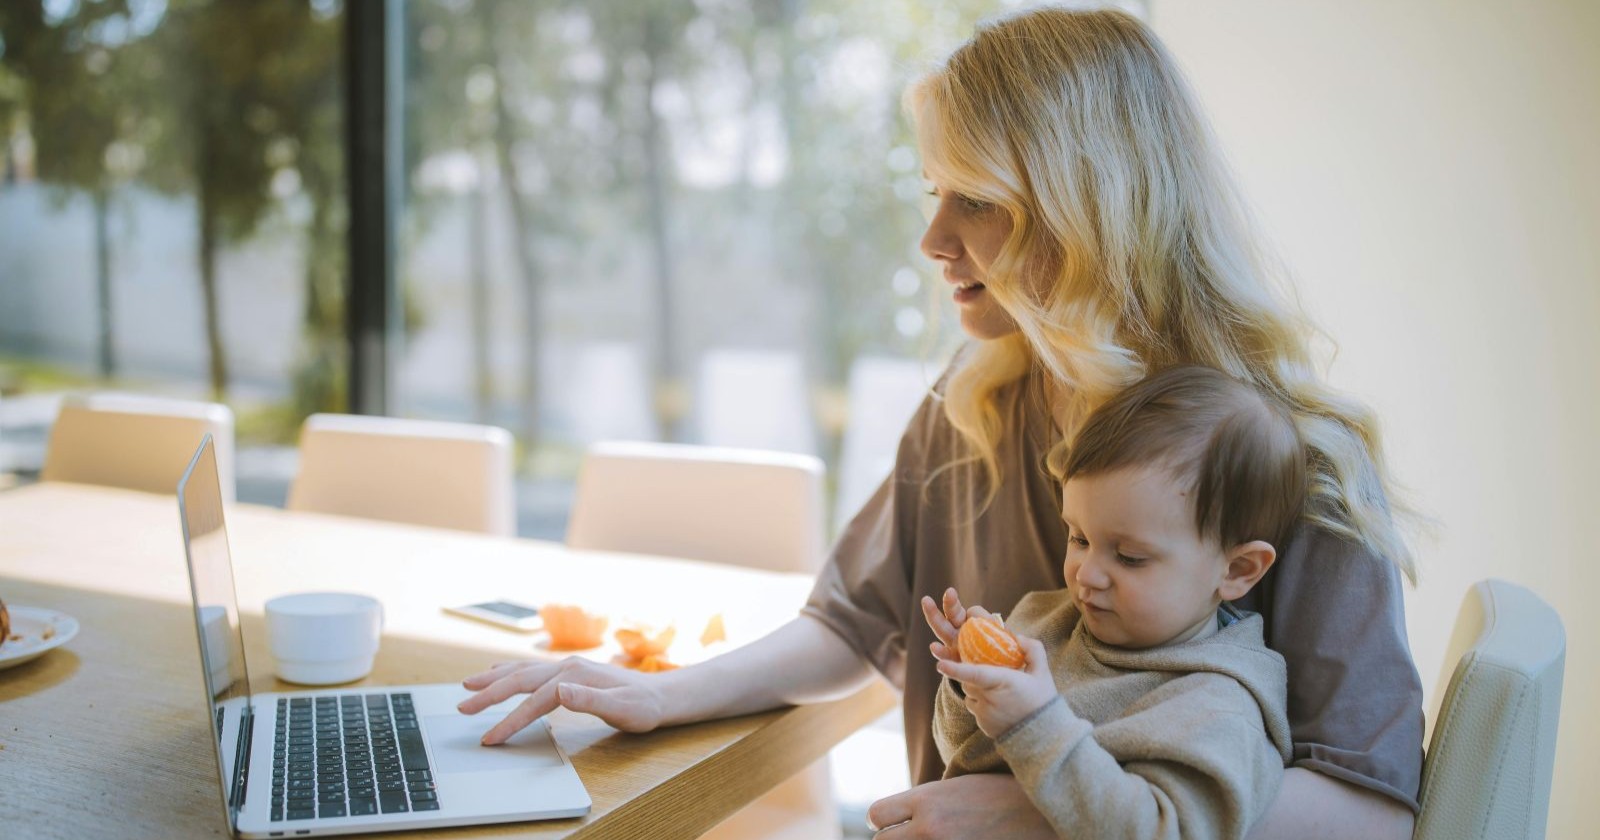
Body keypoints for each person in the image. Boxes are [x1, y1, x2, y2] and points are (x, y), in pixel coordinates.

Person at [455, 8, 1424, 839]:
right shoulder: (974, 401)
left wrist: (1043, 813)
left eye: (978, 201)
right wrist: (660, 693)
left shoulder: (1295, 461)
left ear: (1090, 210)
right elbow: (851, 623)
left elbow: (1372, 810)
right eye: (933, 193)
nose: (932, 239)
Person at [925, 364, 1305, 839]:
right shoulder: (1044, 621)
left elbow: (1160, 831)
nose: (1086, 574)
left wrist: (1034, 725)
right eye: (1079, 538)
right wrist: (971, 684)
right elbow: (962, 757)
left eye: (1129, 557)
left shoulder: (1218, 707)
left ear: (1237, 570)